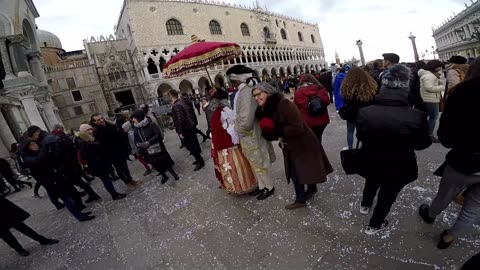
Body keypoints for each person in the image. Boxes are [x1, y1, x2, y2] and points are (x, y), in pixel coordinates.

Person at [356, 64, 432, 235]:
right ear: (406, 88)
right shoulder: (416, 115)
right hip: (400, 164)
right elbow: (422, 144)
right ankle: (374, 224)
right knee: (388, 194)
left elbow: (361, 137)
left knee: (372, 180)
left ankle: (365, 205)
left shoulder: (365, 112)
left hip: (372, 159)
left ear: (382, 86)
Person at [418, 59, 480, 249]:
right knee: (474, 207)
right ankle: (449, 237)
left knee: (445, 193)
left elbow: (446, 136)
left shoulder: (463, 92)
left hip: (465, 160)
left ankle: (430, 214)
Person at [253, 82, 333, 209]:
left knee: (297, 172)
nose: (256, 98)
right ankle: (311, 189)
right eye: (254, 96)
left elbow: (298, 127)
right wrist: (269, 131)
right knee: (302, 169)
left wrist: (276, 129)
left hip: (303, 142)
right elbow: (273, 131)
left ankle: (301, 199)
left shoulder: (284, 104)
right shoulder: (267, 109)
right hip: (291, 144)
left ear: (268, 92)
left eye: (259, 94)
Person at [227, 65, 276, 200]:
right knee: (254, 162)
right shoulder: (243, 91)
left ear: (237, 79)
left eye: (232, 79)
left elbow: (246, 118)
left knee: (259, 162)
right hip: (248, 135)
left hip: (251, 133)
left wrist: (236, 129)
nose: (231, 82)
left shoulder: (247, 92)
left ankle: (269, 187)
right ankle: (261, 186)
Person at [21, 136, 95, 222]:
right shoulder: (28, 158)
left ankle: (80, 213)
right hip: (51, 183)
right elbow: (39, 160)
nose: (35, 145)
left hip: (57, 179)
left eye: (34, 143)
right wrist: (45, 147)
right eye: (32, 145)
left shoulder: (38, 152)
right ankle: (79, 216)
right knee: (67, 200)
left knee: (71, 196)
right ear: (27, 148)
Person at [209, 87, 256, 193]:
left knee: (234, 166)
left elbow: (231, 128)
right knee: (234, 165)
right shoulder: (221, 111)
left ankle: (242, 186)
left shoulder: (223, 112)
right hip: (225, 143)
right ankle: (238, 185)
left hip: (227, 144)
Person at [51, 124, 101, 204]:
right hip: (71, 164)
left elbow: (66, 151)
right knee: (78, 181)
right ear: (59, 129)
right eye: (62, 128)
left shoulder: (59, 137)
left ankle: (92, 195)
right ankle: (92, 194)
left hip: (69, 165)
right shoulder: (60, 137)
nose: (63, 129)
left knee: (78, 182)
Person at [77, 124, 127, 200]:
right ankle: (114, 195)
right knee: (106, 180)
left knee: (106, 179)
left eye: (91, 129)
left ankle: (114, 194)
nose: (90, 131)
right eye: (88, 130)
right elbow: (85, 154)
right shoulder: (84, 141)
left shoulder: (89, 139)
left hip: (99, 163)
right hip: (97, 165)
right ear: (83, 132)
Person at [90, 113, 140, 188]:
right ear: (94, 122)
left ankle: (130, 180)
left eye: (101, 118)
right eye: (98, 120)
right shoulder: (96, 131)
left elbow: (118, 134)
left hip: (120, 150)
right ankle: (127, 182)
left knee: (125, 167)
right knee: (119, 169)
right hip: (111, 154)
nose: (101, 120)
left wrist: (122, 133)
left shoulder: (110, 125)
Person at [131, 110, 179, 184]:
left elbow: (157, 135)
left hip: (157, 148)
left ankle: (173, 173)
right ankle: (164, 175)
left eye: (134, 118)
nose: (133, 119)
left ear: (139, 118)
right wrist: (139, 144)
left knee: (164, 161)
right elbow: (136, 140)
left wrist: (148, 142)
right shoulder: (136, 129)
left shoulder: (151, 124)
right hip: (147, 151)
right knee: (155, 164)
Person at [340, 67, 377, 149]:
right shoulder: (369, 85)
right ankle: (363, 147)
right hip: (366, 112)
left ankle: (350, 148)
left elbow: (344, 98)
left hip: (351, 112)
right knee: (364, 131)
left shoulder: (347, 86)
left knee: (350, 131)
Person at [169, 90, 205, 171]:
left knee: (190, 146)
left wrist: (180, 131)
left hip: (186, 128)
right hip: (190, 126)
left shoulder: (176, 105)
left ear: (171, 96)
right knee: (194, 144)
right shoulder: (180, 102)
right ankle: (198, 159)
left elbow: (180, 119)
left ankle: (200, 161)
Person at [294, 74, 330, 144]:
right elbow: (327, 102)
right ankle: (319, 151)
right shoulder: (320, 88)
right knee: (318, 138)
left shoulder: (299, 92)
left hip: (308, 121)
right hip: (322, 119)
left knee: (312, 141)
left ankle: (317, 152)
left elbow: (296, 107)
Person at [418, 59, 445, 143]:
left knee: (428, 116)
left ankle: (424, 133)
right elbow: (429, 88)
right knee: (433, 117)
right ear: (435, 66)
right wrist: (442, 87)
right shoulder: (429, 75)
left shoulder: (429, 74)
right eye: (439, 66)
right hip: (430, 99)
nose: (441, 68)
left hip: (429, 98)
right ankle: (429, 135)